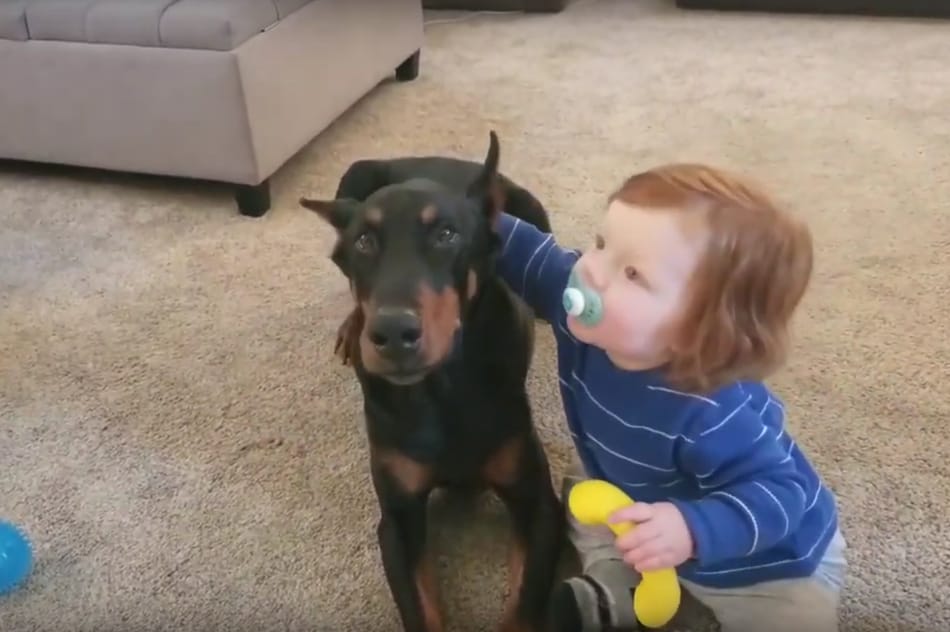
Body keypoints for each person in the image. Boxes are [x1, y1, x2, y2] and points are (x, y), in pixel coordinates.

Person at [491, 163, 846, 632]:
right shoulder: (590, 314)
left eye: (632, 273)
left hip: (760, 562)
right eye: (601, 243)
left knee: (795, 619)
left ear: (698, 332)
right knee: (584, 490)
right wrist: (467, 215)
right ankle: (614, 586)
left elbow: (782, 495)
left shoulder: (711, 410)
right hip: (636, 489)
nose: (591, 270)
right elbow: (534, 259)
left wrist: (691, 529)